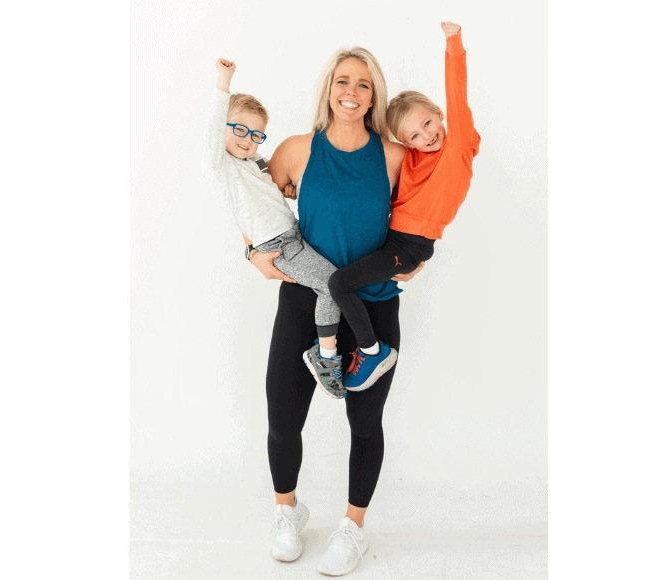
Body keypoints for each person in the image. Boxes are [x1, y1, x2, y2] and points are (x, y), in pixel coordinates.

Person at [248, 46, 420, 575]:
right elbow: (254, 207)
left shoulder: (394, 156)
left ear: (375, 95)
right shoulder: (298, 150)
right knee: (283, 416)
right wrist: (251, 252)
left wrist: (414, 259)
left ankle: (352, 528)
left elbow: (421, 219)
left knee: (365, 422)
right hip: (304, 300)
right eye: (342, 81)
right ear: (327, 88)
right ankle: (287, 512)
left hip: (372, 304)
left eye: (363, 84)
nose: (352, 91)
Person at [326, 21, 481, 392]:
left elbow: (457, 94)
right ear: (404, 141)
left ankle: (372, 351)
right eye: (415, 134)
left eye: (428, 123)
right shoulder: (409, 159)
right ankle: (335, 342)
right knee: (339, 273)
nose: (427, 136)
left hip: (408, 247)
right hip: (390, 240)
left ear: (439, 113)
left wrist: (453, 43)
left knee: (338, 283)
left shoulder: (457, 149)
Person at [201, 57, 347, 399]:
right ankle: (325, 358)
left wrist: (290, 190)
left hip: (294, 232)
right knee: (331, 285)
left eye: (255, 134)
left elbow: (275, 194)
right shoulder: (219, 168)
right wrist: (224, 80)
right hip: (279, 244)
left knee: (337, 272)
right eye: (238, 129)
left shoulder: (255, 164)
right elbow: (212, 128)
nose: (247, 139)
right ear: (223, 128)